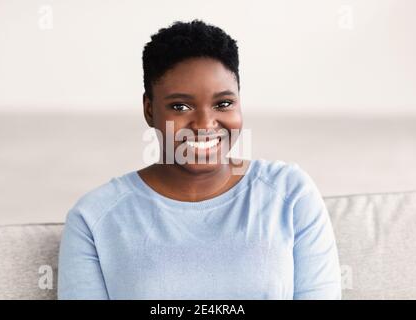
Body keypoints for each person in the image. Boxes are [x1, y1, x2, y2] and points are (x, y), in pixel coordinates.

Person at [58, 19, 342, 299]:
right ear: (149, 110)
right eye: (180, 106)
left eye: (223, 104)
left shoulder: (290, 194)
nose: (205, 124)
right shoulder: (94, 218)